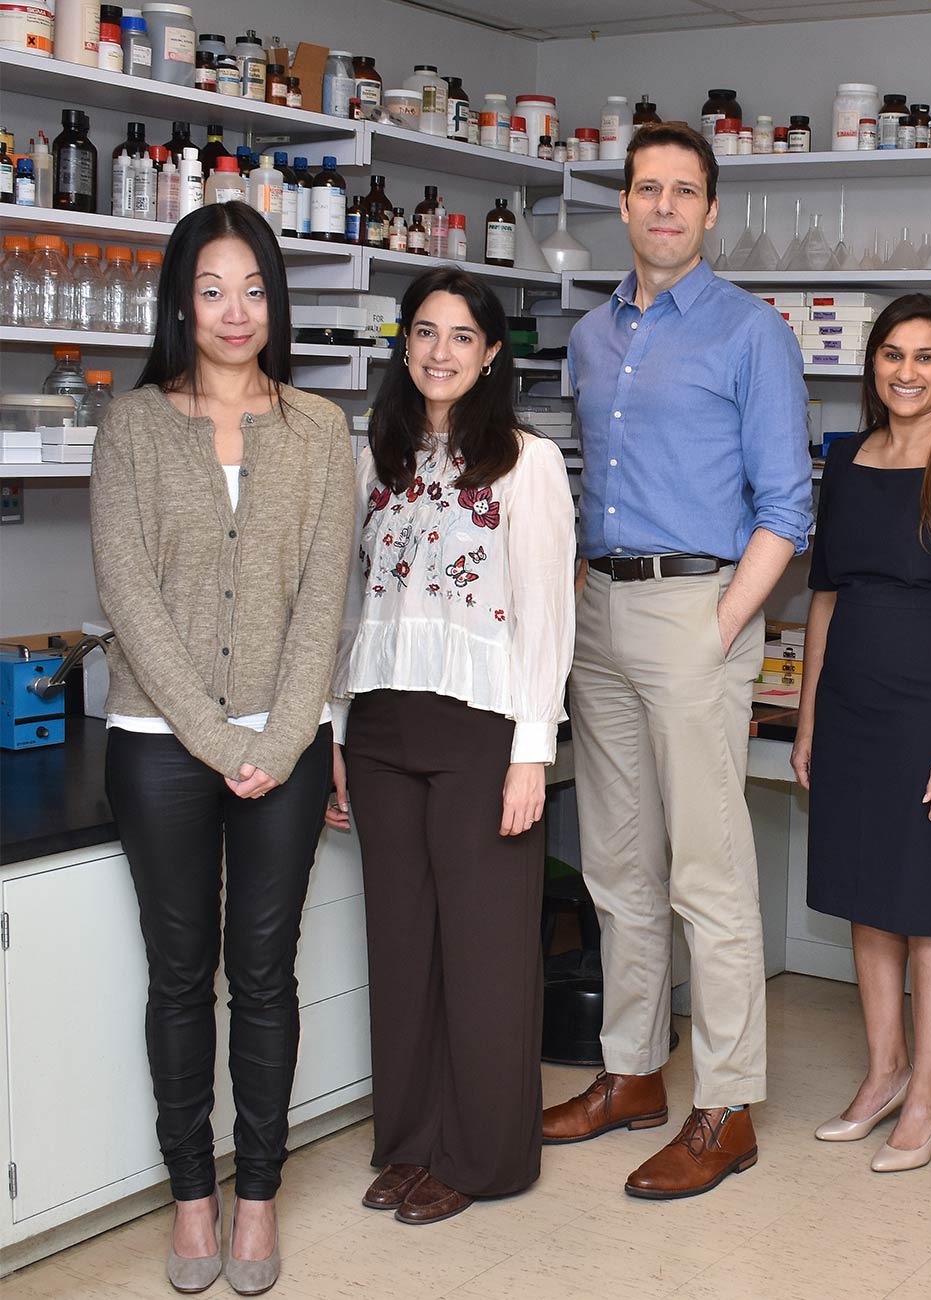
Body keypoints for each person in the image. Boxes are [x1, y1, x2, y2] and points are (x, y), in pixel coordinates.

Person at [543, 123, 813, 1199]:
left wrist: (722, 624)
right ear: (623, 204)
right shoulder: (590, 335)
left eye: (683, 192)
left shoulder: (751, 333)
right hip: (600, 607)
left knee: (708, 871)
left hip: (695, 606)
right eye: (646, 189)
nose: (663, 207)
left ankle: (727, 1103)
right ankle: (631, 1072)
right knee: (615, 864)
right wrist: (578, 594)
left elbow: (788, 506)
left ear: (709, 212)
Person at [90, 202, 354, 1296]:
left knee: (264, 974)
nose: (233, 311)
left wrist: (282, 736)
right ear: (179, 302)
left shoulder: (320, 430)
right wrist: (214, 736)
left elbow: (320, 602)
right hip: (159, 742)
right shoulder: (135, 428)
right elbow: (128, 596)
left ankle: (258, 1204)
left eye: (252, 288)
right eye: (210, 289)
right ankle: (190, 1198)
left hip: (284, 747)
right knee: (179, 975)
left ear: (274, 301)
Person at [329, 267, 575, 1226]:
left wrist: (532, 753)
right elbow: (352, 608)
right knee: (401, 950)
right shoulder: (374, 462)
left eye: (461, 337)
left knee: (485, 952)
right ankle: (413, 1140)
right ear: (403, 346)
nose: (439, 352)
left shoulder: (527, 461)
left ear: (491, 355)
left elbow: (548, 617)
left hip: (482, 730)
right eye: (423, 333)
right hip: (383, 723)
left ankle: (484, 1155)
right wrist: (339, 730)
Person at [791, 294, 931, 1172]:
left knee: (926, 907)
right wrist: (810, 717)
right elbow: (825, 597)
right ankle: (881, 1073)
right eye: (893, 355)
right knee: (864, 896)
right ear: (872, 365)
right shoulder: (848, 461)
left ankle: (930, 1092)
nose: (907, 373)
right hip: (853, 709)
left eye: (926, 357)